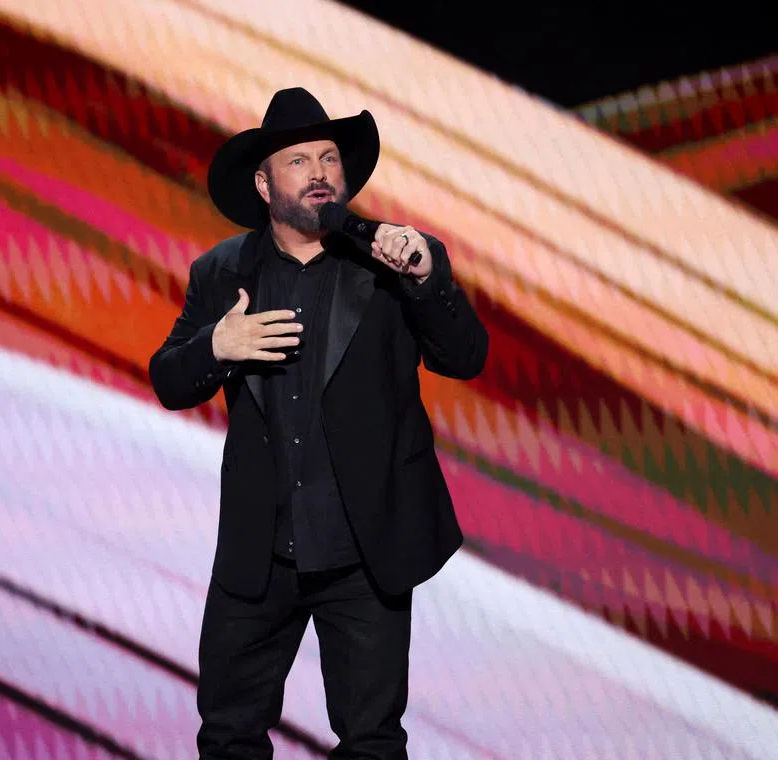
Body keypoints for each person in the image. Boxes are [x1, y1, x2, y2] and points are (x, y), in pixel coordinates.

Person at [148, 87, 489, 758]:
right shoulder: (222, 272)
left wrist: (425, 277)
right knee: (228, 735)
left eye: (329, 158)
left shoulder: (392, 262)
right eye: (299, 161)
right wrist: (217, 346)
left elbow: (466, 356)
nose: (320, 173)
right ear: (264, 181)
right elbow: (168, 379)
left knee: (372, 741)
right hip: (261, 551)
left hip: (364, 551)